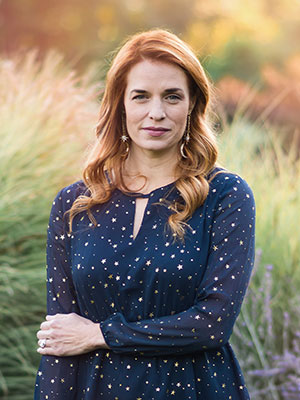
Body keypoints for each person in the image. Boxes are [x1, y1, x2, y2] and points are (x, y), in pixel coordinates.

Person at [34, 29, 255, 399]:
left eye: (172, 96)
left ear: (192, 104)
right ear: (120, 103)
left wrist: (98, 335)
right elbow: (61, 337)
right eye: (141, 96)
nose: (157, 113)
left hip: (194, 389)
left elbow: (212, 324)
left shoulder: (225, 196)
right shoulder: (74, 204)